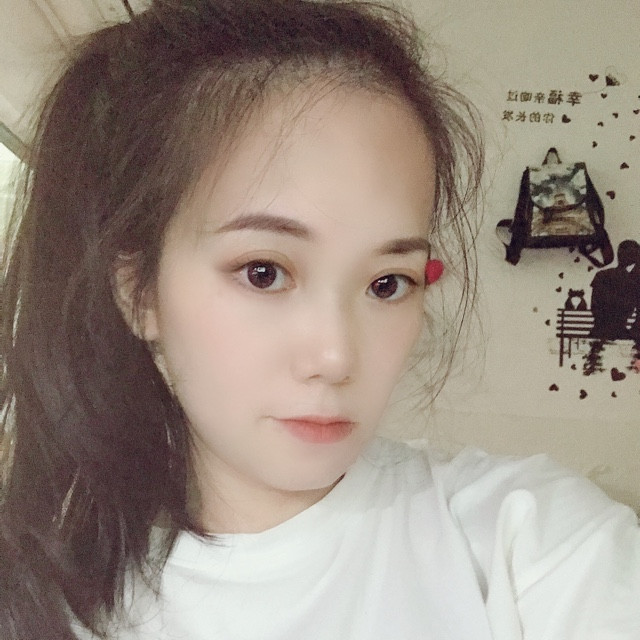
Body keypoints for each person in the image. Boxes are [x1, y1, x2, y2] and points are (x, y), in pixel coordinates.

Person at [0, 1, 638, 639]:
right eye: (263, 272)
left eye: (387, 284)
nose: (336, 357)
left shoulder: (529, 544)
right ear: (138, 291)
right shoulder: (47, 597)